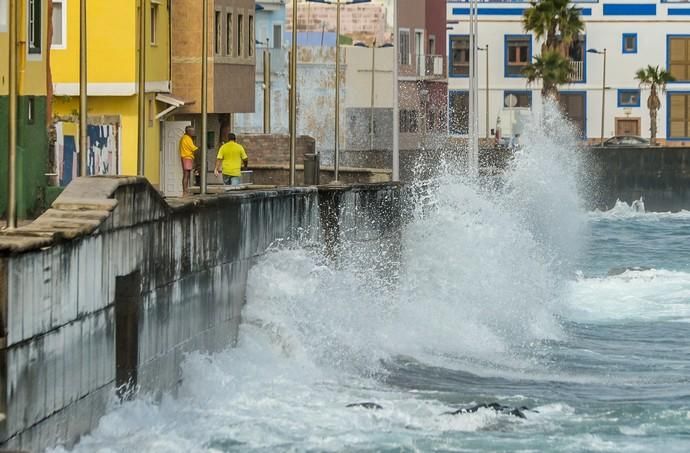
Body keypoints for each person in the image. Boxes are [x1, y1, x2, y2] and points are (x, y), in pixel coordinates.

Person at [179, 126, 198, 196]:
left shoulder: (185, 138)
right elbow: (194, 148)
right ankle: (185, 192)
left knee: (187, 174)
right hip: (187, 157)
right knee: (186, 175)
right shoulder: (187, 138)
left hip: (186, 157)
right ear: (188, 132)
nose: (194, 132)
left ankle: (186, 191)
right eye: (192, 131)